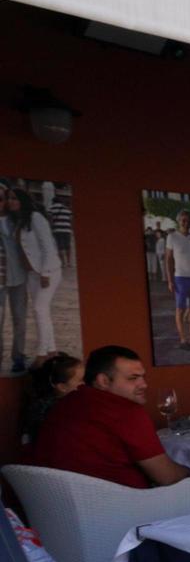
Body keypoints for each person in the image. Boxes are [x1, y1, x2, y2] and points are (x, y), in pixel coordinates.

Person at [31, 345, 190, 510]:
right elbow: (167, 477)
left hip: (61, 511)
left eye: (143, 377)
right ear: (103, 381)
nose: (144, 385)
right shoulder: (125, 411)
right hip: (121, 510)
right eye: (133, 378)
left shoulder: (64, 404)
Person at [8, 188, 62, 356]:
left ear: (23, 200)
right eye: (9, 198)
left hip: (48, 272)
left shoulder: (36, 218)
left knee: (39, 309)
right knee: (42, 311)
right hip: (32, 273)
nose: (11, 201)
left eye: (14, 198)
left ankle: (41, 353)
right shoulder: (18, 221)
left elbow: (48, 247)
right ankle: (51, 350)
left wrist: (45, 272)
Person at [0, 183, 31, 373]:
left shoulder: (18, 220)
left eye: (2, 198)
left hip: (19, 276)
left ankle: (18, 356)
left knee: (20, 319)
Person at [20, 352, 82, 446]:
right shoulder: (50, 409)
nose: (85, 383)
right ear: (62, 387)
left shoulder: (73, 402)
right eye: (81, 380)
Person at [164, 211, 190, 350]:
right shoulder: (172, 237)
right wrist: (169, 280)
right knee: (180, 309)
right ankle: (183, 339)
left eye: (188, 220)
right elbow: (168, 259)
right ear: (178, 221)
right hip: (180, 278)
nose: (185, 223)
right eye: (183, 220)